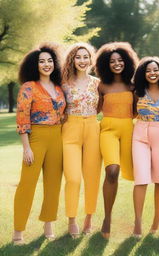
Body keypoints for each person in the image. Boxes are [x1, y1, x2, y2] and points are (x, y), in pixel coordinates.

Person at [13, 44, 66, 244]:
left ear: (54, 63)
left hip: (57, 137)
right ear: (35, 65)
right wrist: (26, 147)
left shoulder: (59, 87)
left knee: (53, 184)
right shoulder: (28, 87)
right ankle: (18, 230)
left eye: (49, 60)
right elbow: (22, 117)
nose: (46, 64)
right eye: (41, 61)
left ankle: (48, 225)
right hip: (35, 137)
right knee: (27, 185)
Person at [95, 42, 138, 239]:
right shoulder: (101, 86)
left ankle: (138, 222)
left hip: (129, 131)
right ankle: (107, 218)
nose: (117, 63)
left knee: (138, 176)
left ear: (127, 62)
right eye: (112, 61)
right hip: (108, 131)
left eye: (120, 60)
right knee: (112, 171)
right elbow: (94, 110)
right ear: (106, 64)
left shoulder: (133, 85)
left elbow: (138, 111)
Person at [61, 43, 102, 237]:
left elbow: (101, 105)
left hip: (93, 128)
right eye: (78, 57)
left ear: (90, 59)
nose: (82, 60)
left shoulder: (97, 83)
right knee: (73, 178)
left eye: (86, 57)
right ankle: (71, 219)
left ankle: (88, 218)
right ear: (72, 60)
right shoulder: (64, 83)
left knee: (92, 178)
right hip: (71, 130)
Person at [132, 57, 159, 238]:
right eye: (148, 70)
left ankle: (155, 224)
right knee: (141, 179)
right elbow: (130, 112)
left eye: (155, 70)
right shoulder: (137, 91)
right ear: (143, 73)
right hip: (140, 134)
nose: (152, 73)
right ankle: (137, 222)